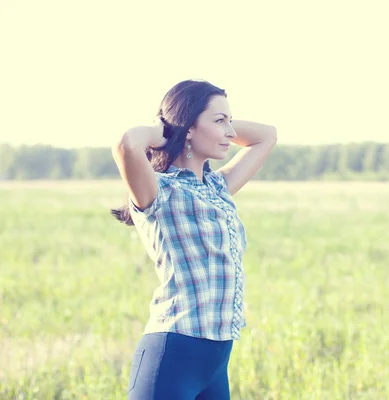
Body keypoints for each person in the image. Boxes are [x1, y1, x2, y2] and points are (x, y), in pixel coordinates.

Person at [110, 79, 277, 399]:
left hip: (215, 363)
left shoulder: (217, 187)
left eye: (230, 121)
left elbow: (267, 135)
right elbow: (126, 144)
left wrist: (215, 122)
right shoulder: (158, 191)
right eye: (220, 121)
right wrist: (168, 129)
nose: (230, 132)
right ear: (188, 127)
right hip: (171, 357)